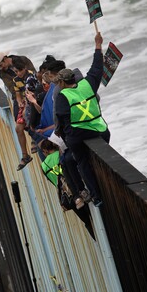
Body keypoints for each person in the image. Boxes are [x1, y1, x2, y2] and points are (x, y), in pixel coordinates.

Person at [54, 32, 110, 207]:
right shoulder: (88, 83)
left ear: (62, 83)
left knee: (83, 163)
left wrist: (66, 139)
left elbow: (62, 121)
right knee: (104, 151)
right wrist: (98, 45)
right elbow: (97, 67)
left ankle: (97, 197)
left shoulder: (63, 95)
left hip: (77, 136)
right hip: (99, 129)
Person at [39, 139, 94, 240]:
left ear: (45, 151)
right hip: (78, 188)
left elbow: (53, 181)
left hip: (68, 196)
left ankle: (96, 239)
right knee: (93, 214)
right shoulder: (61, 154)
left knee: (87, 221)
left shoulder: (44, 165)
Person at [0, 51, 36, 170]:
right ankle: (25, 155)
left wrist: (28, 98)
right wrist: (20, 100)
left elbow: (34, 77)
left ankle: (34, 139)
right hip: (19, 96)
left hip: (32, 91)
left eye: (1, 65)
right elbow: (13, 88)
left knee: (30, 117)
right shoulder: (3, 73)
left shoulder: (23, 60)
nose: (1, 68)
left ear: (6, 59)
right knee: (19, 126)